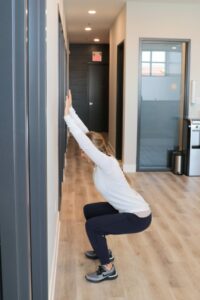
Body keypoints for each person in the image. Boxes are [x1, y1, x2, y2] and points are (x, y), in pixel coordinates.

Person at [64, 90, 152, 283]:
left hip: (137, 217)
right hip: (128, 210)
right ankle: (102, 249)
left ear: (92, 150)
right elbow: (86, 133)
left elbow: (84, 142)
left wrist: (65, 117)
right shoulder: (103, 159)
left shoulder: (106, 163)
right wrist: (71, 110)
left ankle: (108, 269)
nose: (82, 154)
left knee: (92, 226)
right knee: (90, 210)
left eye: (84, 152)